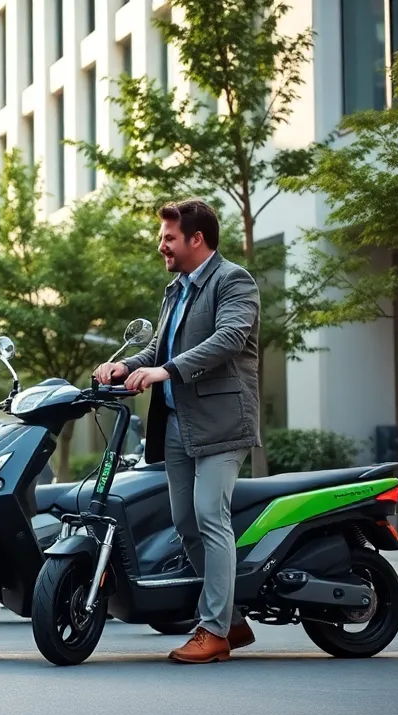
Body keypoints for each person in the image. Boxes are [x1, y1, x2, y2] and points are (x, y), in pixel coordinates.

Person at [93, 199, 261, 664]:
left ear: (196, 239)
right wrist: (124, 365)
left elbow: (228, 339)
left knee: (210, 517)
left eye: (168, 237)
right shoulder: (176, 289)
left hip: (223, 422)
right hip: (178, 426)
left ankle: (212, 629)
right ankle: (230, 621)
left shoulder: (233, 281)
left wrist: (166, 371)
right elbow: (158, 348)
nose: (160, 245)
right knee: (186, 524)